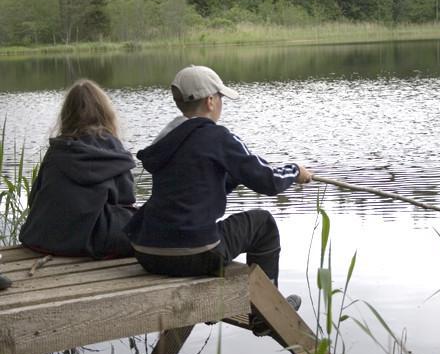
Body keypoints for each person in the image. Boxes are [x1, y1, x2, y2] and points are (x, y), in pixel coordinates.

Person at [125, 65, 312, 297]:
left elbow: (195, 190)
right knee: (264, 224)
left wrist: (232, 178)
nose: (222, 103)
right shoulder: (218, 137)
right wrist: (295, 171)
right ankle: (267, 306)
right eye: (221, 97)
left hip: (148, 254)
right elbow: (268, 181)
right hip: (196, 254)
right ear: (211, 101)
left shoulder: (164, 143)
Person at [19, 80, 136, 259]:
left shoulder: (57, 150)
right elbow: (126, 199)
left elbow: (34, 197)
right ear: (106, 113)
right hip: (90, 240)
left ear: (67, 114)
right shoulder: (112, 148)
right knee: (142, 222)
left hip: (43, 238)